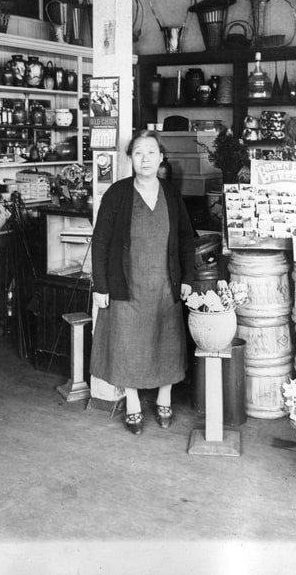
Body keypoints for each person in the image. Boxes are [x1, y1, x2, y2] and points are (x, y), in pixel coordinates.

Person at [90, 130, 196, 435]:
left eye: (151, 152)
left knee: (167, 342)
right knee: (127, 345)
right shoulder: (117, 194)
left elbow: (186, 238)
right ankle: (133, 403)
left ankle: (165, 397)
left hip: (164, 285)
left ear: (161, 157)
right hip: (127, 286)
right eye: (138, 153)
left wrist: (187, 278)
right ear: (131, 159)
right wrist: (100, 286)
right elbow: (100, 241)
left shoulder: (171, 194)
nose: (145, 159)